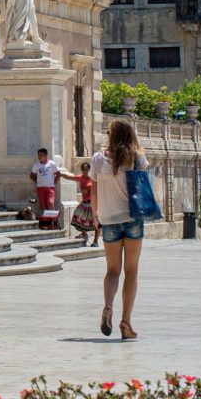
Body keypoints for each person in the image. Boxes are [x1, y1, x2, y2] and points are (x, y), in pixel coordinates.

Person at [87, 119, 149, 341]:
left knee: (112, 270)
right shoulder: (137, 157)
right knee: (131, 270)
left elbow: (93, 192)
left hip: (109, 219)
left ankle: (108, 306)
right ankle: (126, 322)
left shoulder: (98, 159)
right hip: (132, 218)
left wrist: (96, 217)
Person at [66, 160, 98, 248]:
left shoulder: (94, 178)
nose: (85, 171)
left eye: (87, 170)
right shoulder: (80, 178)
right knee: (77, 217)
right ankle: (84, 234)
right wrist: (59, 173)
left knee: (96, 222)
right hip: (84, 203)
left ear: (89, 170)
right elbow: (68, 176)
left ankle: (95, 241)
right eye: (83, 170)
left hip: (93, 203)